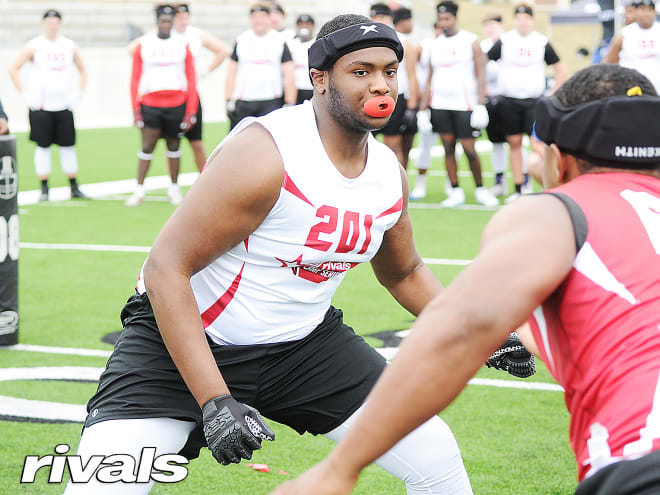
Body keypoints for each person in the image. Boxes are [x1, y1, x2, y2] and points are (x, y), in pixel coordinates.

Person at [63, 14, 473, 495]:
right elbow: (165, 267)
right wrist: (215, 400)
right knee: (103, 486)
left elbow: (405, 272)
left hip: (305, 350)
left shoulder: (387, 172)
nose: (380, 85)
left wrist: (477, 333)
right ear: (320, 79)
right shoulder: (265, 153)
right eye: (360, 72)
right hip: (183, 347)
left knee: (436, 458)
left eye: (389, 71)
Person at [269, 64, 660, 495]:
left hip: (642, 464)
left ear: (557, 158)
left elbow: (455, 334)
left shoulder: (555, 212)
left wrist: (340, 468)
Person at [421, 1, 499, 208]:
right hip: (440, 105)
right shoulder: (435, 44)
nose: (444, 23)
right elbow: (429, 78)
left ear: (455, 18)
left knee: (469, 149)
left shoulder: (470, 41)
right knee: (448, 148)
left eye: (447, 19)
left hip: (465, 105)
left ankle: (481, 189)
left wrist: (481, 104)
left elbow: (481, 75)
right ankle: (455, 191)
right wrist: (423, 109)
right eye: (441, 19)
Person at [487, 3, 567, 203]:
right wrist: (487, 88)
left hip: (534, 101)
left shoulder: (541, 41)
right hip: (509, 100)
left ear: (532, 20)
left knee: (537, 144)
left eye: (526, 18)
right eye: (519, 18)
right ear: (514, 20)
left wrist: (551, 94)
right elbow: (484, 62)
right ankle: (519, 187)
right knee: (513, 143)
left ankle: (551, 183)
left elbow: (561, 69)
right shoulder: (505, 41)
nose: (523, 22)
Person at [8, 9, 88, 201]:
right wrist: (25, 94)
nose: (52, 25)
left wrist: (78, 92)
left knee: (68, 146)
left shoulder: (69, 45)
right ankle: (44, 188)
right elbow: (13, 68)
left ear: (60, 24)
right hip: (41, 107)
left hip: (64, 105)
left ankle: (74, 186)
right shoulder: (35, 45)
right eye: (49, 22)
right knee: (42, 147)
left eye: (55, 22)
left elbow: (83, 69)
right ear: (43, 23)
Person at [125, 4, 198, 207]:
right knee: (147, 146)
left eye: (169, 21)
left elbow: (191, 79)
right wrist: (135, 109)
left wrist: (190, 111)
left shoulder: (182, 44)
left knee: (174, 146)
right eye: (162, 21)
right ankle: (139, 190)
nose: (165, 24)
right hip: (150, 104)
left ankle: (174, 189)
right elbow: (134, 78)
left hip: (176, 104)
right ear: (157, 22)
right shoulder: (144, 44)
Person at [172, 3, 230, 172]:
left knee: (196, 142)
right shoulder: (166, 35)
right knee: (172, 144)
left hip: (190, 94)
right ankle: (173, 186)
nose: (183, 21)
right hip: (171, 93)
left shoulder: (195, 34)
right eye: (179, 18)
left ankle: (204, 178)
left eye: (185, 17)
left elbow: (223, 50)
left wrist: (204, 71)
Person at [225, 3, 296, 129]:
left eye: (262, 16)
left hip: (271, 100)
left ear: (269, 18)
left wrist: (290, 102)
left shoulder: (279, 41)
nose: (259, 20)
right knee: (239, 141)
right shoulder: (241, 40)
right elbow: (231, 71)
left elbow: (289, 73)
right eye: (255, 17)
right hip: (244, 100)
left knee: (271, 141)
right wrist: (228, 99)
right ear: (250, 19)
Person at [369, 4, 419, 169]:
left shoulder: (403, 41)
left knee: (393, 145)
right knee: (366, 145)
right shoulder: (367, 40)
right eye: (375, 17)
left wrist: (412, 106)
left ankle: (398, 189)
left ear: (390, 18)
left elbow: (412, 75)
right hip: (371, 95)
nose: (378, 21)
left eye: (381, 17)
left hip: (395, 97)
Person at [409, 22, 441, 201]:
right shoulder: (426, 45)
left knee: (450, 146)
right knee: (424, 147)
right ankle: (420, 183)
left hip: (447, 103)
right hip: (426, 104)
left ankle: (451, 186)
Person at [480, 13, 510, 198]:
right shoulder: (483, 47)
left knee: (515, 141)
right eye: (488, 26)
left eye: (494, 25)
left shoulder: (511, 43)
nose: (491, 29)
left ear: (502, 26)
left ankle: (523, 179)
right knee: (496, 142)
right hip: (491, 99)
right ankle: (500, 180)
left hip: (510, 98)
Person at [605, 0, 660, 93]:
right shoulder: (624, 34)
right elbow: (609, 62)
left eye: (649, 10)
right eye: (642, 10)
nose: (645, 14)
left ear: (654, 13)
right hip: (632, 88)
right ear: (636, 12)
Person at [287, 14, 315, 104]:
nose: (304, 27)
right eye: (301, 24)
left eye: (307, 24)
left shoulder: (317, 43)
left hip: (312, 87)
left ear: (313, 26)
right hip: (295, 88)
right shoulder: (290, 44)